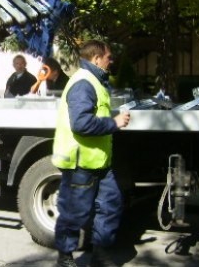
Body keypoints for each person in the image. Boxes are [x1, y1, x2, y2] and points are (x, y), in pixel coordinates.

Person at [52, 40, 131, 267]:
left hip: (99, 163)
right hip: (81, 163)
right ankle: (65, 258)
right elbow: (81, 124)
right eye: (109, 57)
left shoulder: (94, 81)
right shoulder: (84, 83)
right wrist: (114, 123)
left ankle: (100, 254)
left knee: (110, 205)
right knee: (74, 213)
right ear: (96, 58)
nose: (111, 60)